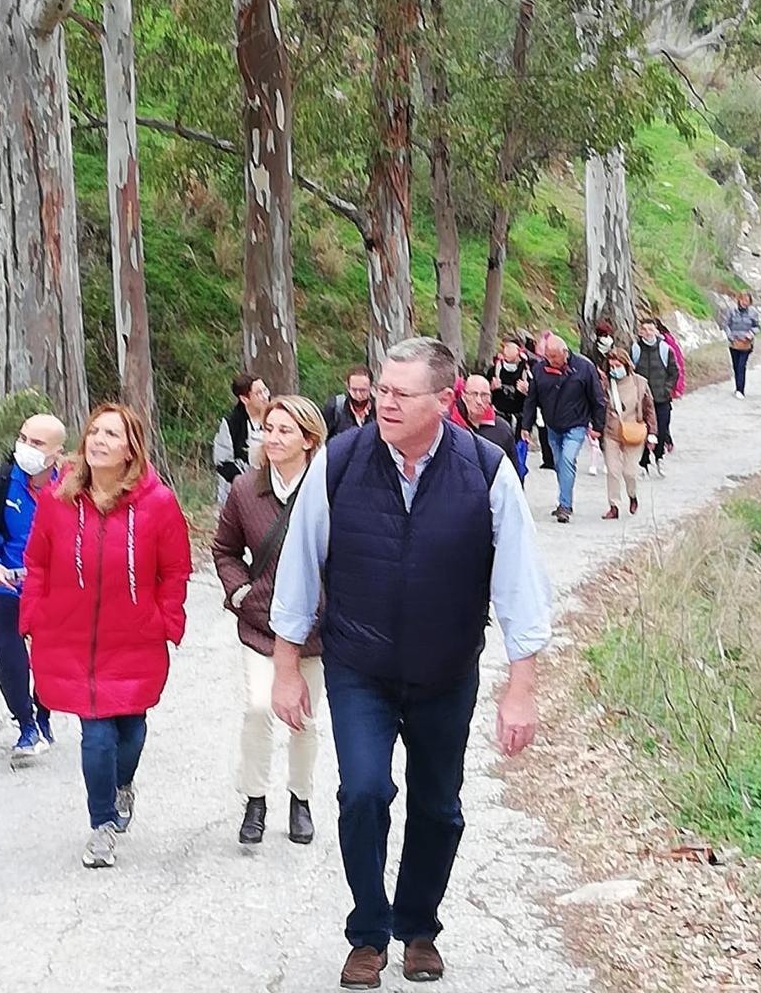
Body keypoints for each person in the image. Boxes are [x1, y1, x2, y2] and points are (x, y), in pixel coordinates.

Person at [270, 337, 550, 989]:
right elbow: (298, 569)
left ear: (444, 400)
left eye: (401, 393)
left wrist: (522, 686)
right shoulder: (338, 462)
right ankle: (368, 933)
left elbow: (519, 586)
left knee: (439, 807)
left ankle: (419, 927)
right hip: (359, 666)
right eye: (383, 390)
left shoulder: (486, 469)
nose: (384, 401)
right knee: (363, 792)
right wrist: (286, 667)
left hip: (446, 670)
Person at [20, 403, 192, 869]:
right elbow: (35, 562)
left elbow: (175, 570)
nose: (97, 440)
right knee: (95, 735)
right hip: (71, 640)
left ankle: (122, 786)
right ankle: (101, 827)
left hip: (135, 638)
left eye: (110, 434)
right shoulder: (59, 500)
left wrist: (165, 620)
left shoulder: (158, 504)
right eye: (93, 432)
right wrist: (33, 615)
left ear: (130, 448)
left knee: (131, 731)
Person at [212, 396, 327, 847]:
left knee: (303, 716)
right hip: (260, 622)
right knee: (259, 707)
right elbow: (224, 549)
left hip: (314, 629)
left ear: (308, 439)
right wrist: (240, 590)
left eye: (284, 430)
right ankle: (254, 799)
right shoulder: (245, 489)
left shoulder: (327, 489)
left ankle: (301, 798)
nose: (272, 438)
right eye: (269, 429)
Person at [0, 414, 66, 760]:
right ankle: (25, 726)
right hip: (7, 589)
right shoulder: (1, 483)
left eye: (37, 443)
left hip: (55, 592)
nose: (26, 448)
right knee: (9, 660)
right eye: (23, 438)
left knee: (50, 659)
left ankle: (44, 715)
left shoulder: (72, 486)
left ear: (56, 452)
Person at [521, 334, 607, 523]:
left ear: (565, 353)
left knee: (567, 460)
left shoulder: (584, 368)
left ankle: (564, 506)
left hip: (576, 424)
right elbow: (531, 399)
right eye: (547, 356)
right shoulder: (540, 369)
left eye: (554, 356)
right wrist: (526, 425)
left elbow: (598, 399)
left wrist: (598, 426)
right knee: (559, 464)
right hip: (552, 425)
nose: (550, 360)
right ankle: (565, 499)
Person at [599, 349, 657, 519]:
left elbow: (649, 409)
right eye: (611, 366)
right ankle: (614, 505)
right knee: (613, 470)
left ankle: (632, 495)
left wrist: (652, 433)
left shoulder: (639, 383)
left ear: (626, 364)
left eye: (617, 365)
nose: (614, 369)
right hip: (612, 433)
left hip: (634, 433)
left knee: (629, 472)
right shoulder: (606, 384)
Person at [631, 318, 679, 478]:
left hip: (661, 398)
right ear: (639, 331)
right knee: (643, 431)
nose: (647, 333)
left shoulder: (665, 349)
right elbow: (631, 372)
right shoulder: (636, 349)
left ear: (656, 331)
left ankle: (659, 458)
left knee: (661, 430)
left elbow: (674, 372)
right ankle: (643, 463)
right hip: (642, 400)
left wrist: (667, 390)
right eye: (644, 330)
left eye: (650, 329)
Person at [213, 374, 270, 505]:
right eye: (258, 393)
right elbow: (223, 463)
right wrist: (245, 483)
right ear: (245, 399)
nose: (265, 396)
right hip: (242, 492)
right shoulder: (231, 424)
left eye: (265, 390)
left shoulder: (276, 417)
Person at [450, 374, 519, 473]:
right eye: (474, 394)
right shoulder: (449, 425)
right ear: (464, 396)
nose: (479, 401)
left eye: (484, 395)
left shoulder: (502, 429)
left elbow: (513, 471)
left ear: (490, 399)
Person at [485, 338, 531, 430]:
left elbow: (534, 398)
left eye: (509, 348)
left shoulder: (526, 373)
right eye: (504, 347)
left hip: (518, 419)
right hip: (498, 416)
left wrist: (527, 391)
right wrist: (490, 388)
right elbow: (485, 395)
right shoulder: (494, 371)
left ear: (518, 351)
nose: (506, 351)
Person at [654, 318, 685, 451]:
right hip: (648, 387)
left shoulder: (667, 344)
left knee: (662, 414)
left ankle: (665, 438)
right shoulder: (639, 346)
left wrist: (677, 387)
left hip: (664, 387)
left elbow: (678, 366)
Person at [323, 367, 376, 440]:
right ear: (348, 387)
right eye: (354, 390)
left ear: (371, 388)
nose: (358, 395)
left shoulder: (378, 410)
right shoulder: (335, 407)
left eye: (363, 390)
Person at [725, 292, 759, 400]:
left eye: (747, 301)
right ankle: (737, 387)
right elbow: (726, 324)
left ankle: (741, 389)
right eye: (743, 300)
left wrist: (751, 333)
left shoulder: (753, 313)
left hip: (746, 344)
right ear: (739, 300)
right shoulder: (732, 311)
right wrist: (731, 337)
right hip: (734, 343)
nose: (745, 303)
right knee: (736, 366)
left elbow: (757, 326)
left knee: (741, 366)